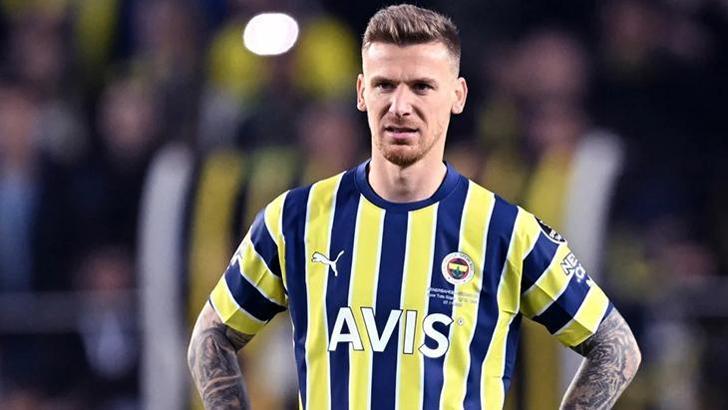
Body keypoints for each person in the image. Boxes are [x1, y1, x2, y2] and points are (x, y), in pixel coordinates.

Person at [187, 4, 641, 409]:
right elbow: (212, 334)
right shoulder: (295, 219)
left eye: (422, 86)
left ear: (457, 96)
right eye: (385, 84)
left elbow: (615, 345)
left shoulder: (503, 230)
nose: (400, 105)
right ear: (361, 92)